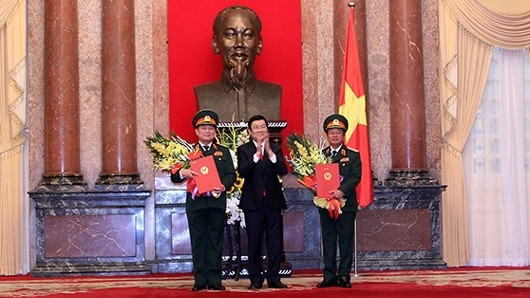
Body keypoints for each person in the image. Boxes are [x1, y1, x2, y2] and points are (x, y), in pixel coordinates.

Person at [170, 109, 236, 291]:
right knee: (198, 241)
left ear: (215, 132)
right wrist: (184, 172)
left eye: (211, 128)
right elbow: (174, 176)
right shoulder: (187, 153)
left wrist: (223, 185)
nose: (208, 131)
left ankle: (215, 280)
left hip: (216, 202)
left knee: (215, 241)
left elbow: (231, 174)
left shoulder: (223, 152)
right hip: (196, 204)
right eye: (204, 128)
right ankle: (200, 280)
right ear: (197, 131)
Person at [195, 5, 282, 122]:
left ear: (259, 44)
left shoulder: (273, 94)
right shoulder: (204, 95)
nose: (239, 43)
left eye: (247, 35)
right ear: (216, 44)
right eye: (230, 35)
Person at [236, 115, 288, 289]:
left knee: (275, 242)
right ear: (250, 132)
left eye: (263, 127)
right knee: (255, 242)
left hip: (273, 202)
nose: (260, 130)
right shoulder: (243, 149)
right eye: (256, 127)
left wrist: (271, 155)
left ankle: (274, 277)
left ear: (267, 129)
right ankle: (256, 279)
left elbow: (283, 170)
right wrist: (256, 156)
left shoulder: (275, 148)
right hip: (253, 203)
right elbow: (242, 171)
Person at [317, 114, 362, 289]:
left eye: (338, 132)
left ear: (343, 135)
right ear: (326, 135)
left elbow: (355, 177)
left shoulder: (352, 155)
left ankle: (344, 275)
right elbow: (314, 178)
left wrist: (340, 191)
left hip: (346, 204)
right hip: (325, 204)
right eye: (331, 132)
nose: (335, 135)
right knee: (328, 239)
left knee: (345, 240)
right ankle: (329, 275)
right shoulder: (320, 155)